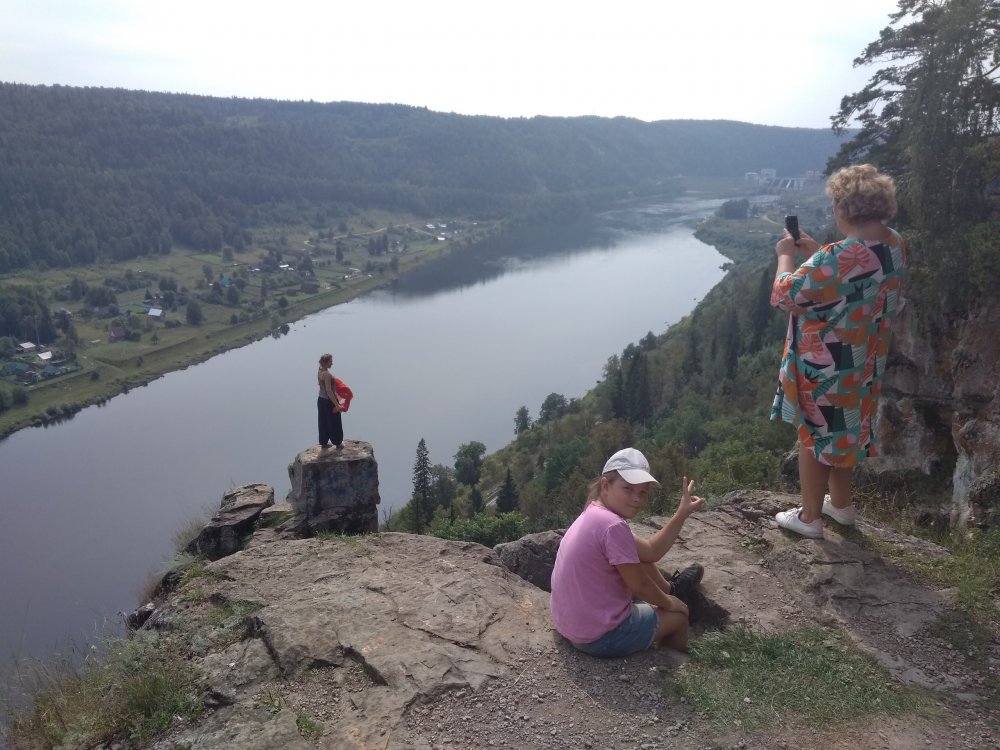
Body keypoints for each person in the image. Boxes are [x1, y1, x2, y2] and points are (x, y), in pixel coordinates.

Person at [770, 164, 906, 539]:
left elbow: (784, 294)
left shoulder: (841, 256)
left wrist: (786, 255)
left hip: (825, 364)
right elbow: (854, 286)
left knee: (813, 436)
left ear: (843, 209)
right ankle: (841, 506)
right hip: (864, 362)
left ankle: (810, 517)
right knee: (847, 431)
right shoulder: (893, 243)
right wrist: (817, 253)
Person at [550, 447, 706, 657]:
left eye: (643, 492)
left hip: (570, 624)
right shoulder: (613, 526)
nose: (637, 499)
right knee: (680, 616)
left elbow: (650, 552)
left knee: (637, 557)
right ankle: (674, 661)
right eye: (628, 489)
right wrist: (671, 604)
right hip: (599, 636)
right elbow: (639, 585)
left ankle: (671, 590)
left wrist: (681, 514)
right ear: (606, 485)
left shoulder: (595, 512)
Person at [317, 353, 344, 450]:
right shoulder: (327, 374)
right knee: (334, 421)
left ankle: (323, 442)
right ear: (325, 362)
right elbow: (329, 390)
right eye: (330, 362)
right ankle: (337, 442)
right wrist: (337, 405)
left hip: (321, 400)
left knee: (323, 420)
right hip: (329, 401)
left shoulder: (320, 371)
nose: (332, 363)